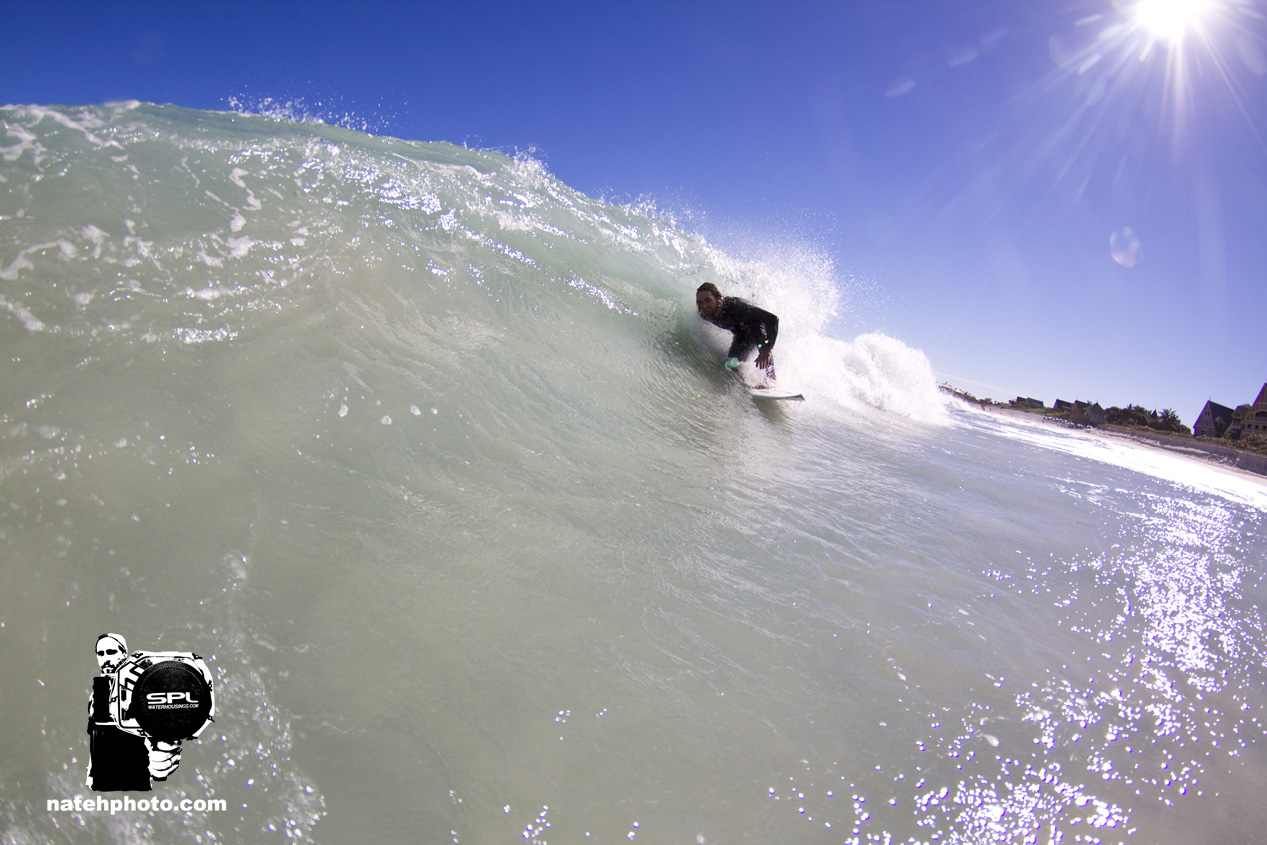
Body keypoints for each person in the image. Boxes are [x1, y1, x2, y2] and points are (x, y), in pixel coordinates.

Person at [87, 633, 182, 791]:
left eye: (111, 652)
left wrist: (161, 758)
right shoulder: (99, 692)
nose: (105, 658)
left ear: (123, 654)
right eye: (100, 654)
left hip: (134, 783)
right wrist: (92, 775)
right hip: (103, 785)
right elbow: (96, 736)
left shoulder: (144, 687)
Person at [695, 282, 779, 384]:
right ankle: (745, 383)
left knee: (763, 348)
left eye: (708, 300)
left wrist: (768, 348)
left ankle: (771, 379)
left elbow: (772, 319)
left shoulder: (736, 307)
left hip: (756, 326)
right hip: (741, 335)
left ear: (718, 298)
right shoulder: (704, 314)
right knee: (732, 364)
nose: (704, 306)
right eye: (700, 302)